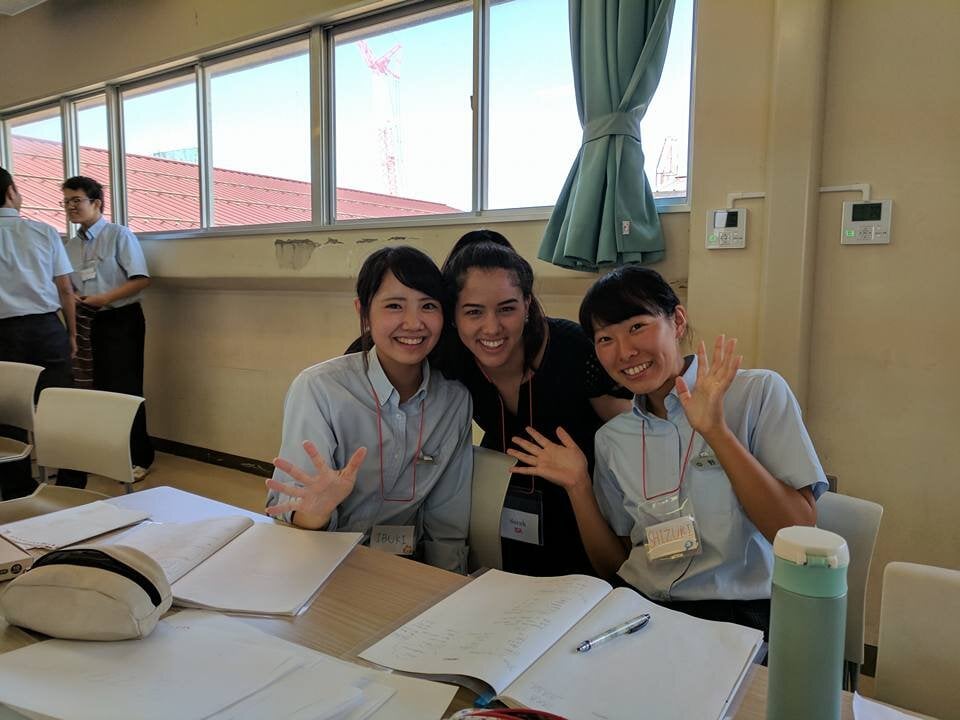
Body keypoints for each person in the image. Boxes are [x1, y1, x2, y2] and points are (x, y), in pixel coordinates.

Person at [508, 265, 827, 635]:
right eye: (605, 338)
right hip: (641, 606)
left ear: (677, 321)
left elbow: (797, 532)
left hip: (737, 614)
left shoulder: (755, 395)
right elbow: (614, 565)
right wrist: (578, 486)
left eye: (637, 327)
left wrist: (717, 433)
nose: (625, 352)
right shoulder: (613, 438)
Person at [266, 246, 473, 574]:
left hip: (402, 568)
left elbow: (447, 522)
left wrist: (449, 587)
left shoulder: (453, 402)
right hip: (319, 562)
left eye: (428, 306)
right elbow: (293, 514)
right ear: (363, 312)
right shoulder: (320, 389)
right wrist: (317, 511)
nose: (413, 323)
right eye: (394, 306)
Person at [440, 230, 631, 577]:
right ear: (453, 315)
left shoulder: (573, 349)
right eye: (473, 312)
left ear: (527, 305)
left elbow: (632, 438)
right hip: (502, 504)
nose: (491, 328)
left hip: (587, 510)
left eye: (507, 309)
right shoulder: (455, 358)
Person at [61, 176, 154, 477]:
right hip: (87, 319)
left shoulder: (118, 234)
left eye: (76, 200)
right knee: (95, 387)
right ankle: (106, 454)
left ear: (97, 202)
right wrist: (76, 299)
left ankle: (140, 457)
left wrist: (104, 298)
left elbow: (141, 279)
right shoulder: (70, 245)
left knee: (125, 387)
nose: (70, 207)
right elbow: (68, 285)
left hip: (121, 318)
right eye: (66, 201)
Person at [0, 167, 78, 498]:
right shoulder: (43, 231)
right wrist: (71, 334)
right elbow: (65, 288)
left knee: (8, 412)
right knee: (60, 404)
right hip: (46, 328)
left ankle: (16, 487)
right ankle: (72, 482)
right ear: (11, 191)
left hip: (2, 334)